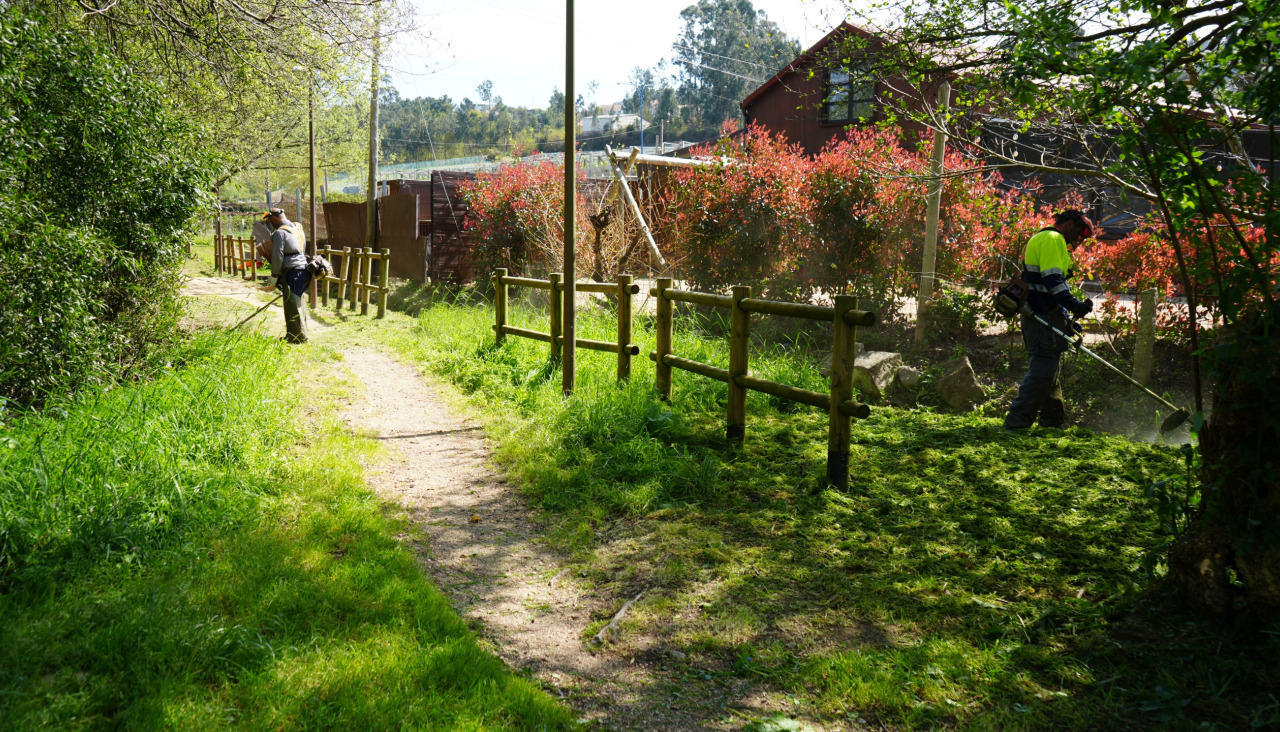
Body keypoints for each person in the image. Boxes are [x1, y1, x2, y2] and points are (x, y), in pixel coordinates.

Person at [1003, 209, 1095, 430]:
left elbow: (1043, 284)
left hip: (1043, 313)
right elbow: (1052, 281)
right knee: (1042, 371)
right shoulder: (1054, 239)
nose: (1079, 239)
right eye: (1079, 232)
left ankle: (1051, 422)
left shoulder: (1041, 237)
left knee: (1049, 369)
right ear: (1069, 223)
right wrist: (1075, 305)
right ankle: (1016, 422)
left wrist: (1066, 317)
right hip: (1041, 314)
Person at [265, 208, 310, 344]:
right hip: (303, 269)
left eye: (270, 221)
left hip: (291, 271)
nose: (270, 224)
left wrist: (274, 275)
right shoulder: (297, 228)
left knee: (292, 305)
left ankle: (297, 338)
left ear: (273, 218)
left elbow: (278, 256)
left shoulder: (280, 233)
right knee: (299, 303)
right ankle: (300, 334)